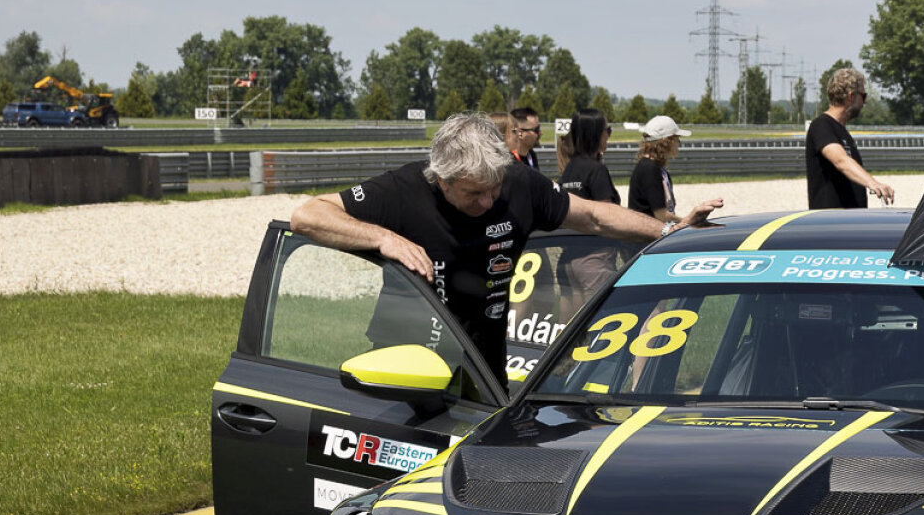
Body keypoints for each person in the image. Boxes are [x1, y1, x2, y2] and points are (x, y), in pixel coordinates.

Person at [289, 113, 720, 377]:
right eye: (473, 193)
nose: (488, 201)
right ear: (441, 179)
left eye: (493, 188)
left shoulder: (517, 183)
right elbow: (307, 215)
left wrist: (671, 231)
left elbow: (593, 215)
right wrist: (383, 237)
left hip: (483, 367)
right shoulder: (404, 189)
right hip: (403, 370)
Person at [806, 67, 894, 208]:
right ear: (850, 97)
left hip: (850, 218)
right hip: (831, 219)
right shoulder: (821, 125)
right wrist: (873, 183)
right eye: (863, 96)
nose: (864, 103)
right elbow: (840, 160)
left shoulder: (842, 131)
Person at [628, 114, 684, 222]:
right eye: (677, 139)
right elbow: (661, 215)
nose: (679, 144)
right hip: (648, 232)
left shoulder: (655, 167)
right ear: (666, 141)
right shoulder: (650, 169)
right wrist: (687, 221)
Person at [558, 109, 619, 204]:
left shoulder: (569, 167)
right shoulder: (597, 170)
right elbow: (606, 210)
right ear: (596, 134)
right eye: (608, 130)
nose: (608, 135)